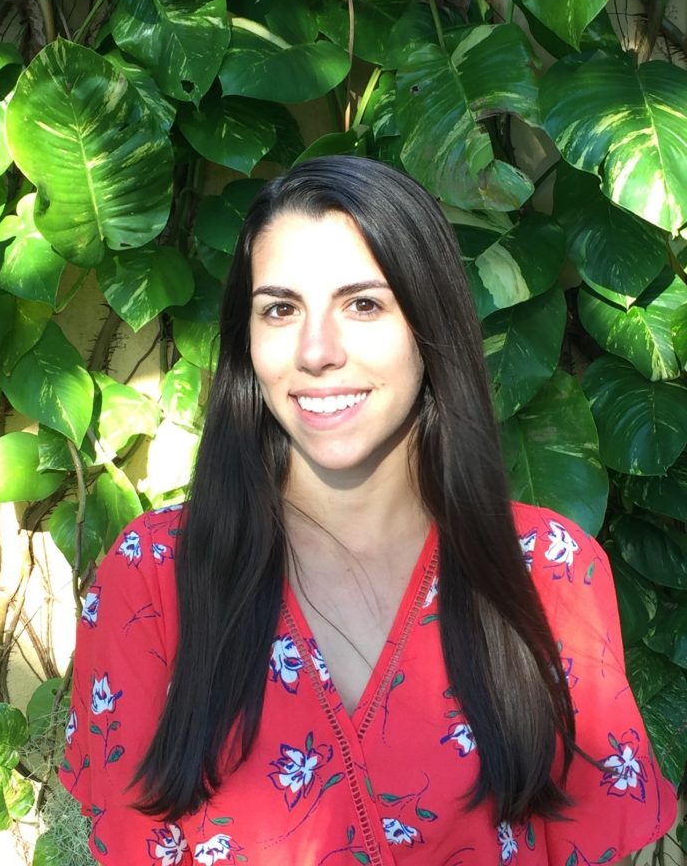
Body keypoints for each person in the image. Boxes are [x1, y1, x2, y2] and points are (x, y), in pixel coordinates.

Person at [60, 156, 677, 866]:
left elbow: (591, 835)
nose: (318, 352)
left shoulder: (548, 570)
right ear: (246, 339)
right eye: (281, 309)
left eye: (364, 304)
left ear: (429, 325)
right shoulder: (153, 577)